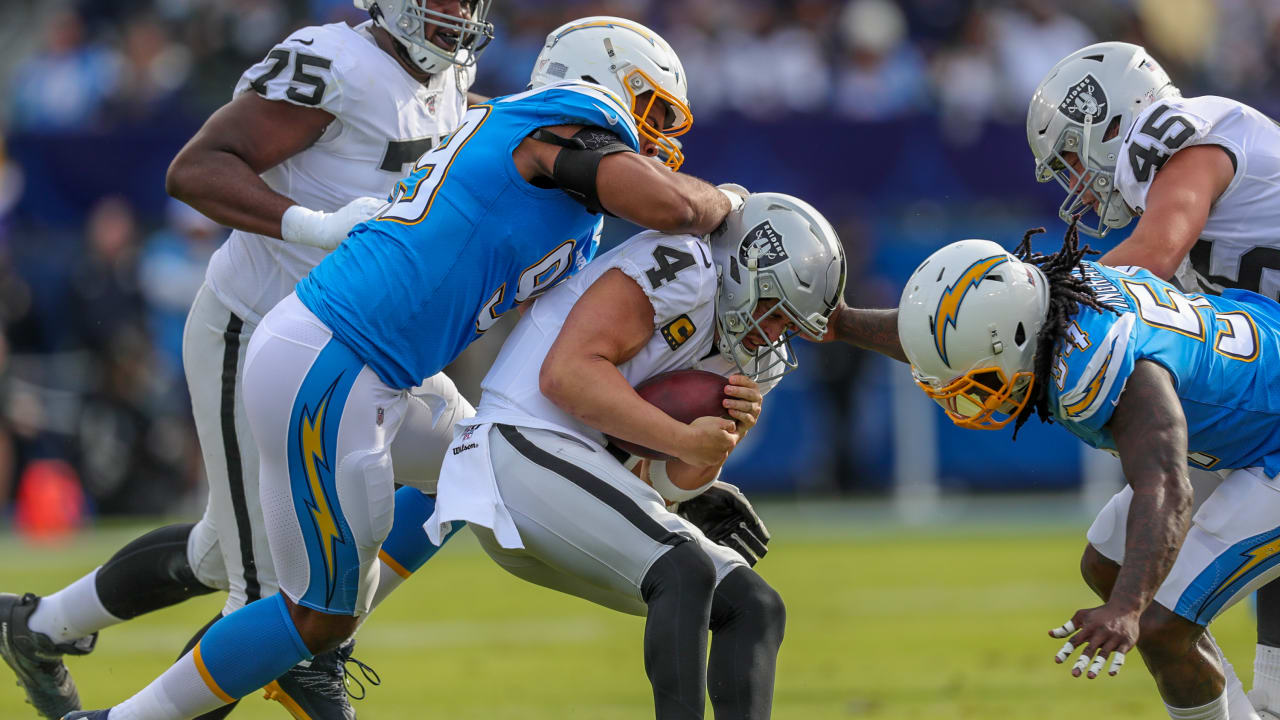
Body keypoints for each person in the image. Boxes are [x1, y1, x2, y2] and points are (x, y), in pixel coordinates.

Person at [66, 14, 741, 720]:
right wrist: (726, 202)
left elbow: (557, 361)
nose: (663, 137)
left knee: (474, 466)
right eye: (654, 110)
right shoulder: (562, 121)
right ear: (605, 82)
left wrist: (662, 477)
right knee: (310, 616)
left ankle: (311, 636)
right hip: (337, 360)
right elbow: (670, 204)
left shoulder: (562, 185)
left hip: (366, 365)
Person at [2, 2, 493, 719]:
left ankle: (38, 626)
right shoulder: (335, 62)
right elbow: (196, 168)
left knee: (473, 463)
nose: (461, 12)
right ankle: (312, 646)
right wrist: (313, 225)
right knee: (263, 602)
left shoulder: (452, 77)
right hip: (262, 336)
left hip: (368, 348)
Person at [828, 225, 1280, 720]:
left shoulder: (1115, 367)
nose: (965, 388)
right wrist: (843, 323)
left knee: (1158, 624)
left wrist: (1128, 610)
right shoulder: (1038, 300)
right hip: (1247, 421)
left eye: (973, 376)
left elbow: (1168, 488)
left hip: (1270, 439)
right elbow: (942, 333)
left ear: (1015, 340)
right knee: (1107, 563)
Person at [427, 190, 846, 718]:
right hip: (517, 446)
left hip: (577, 476)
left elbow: (666, 483)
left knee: (753, 607)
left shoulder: (748, 357)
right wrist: (685, 439)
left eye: (790, 325)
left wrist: (717, 444)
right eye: (775, 312)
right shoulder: (687, 267)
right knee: (684, 568)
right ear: (745, 268)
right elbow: (565, 376)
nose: (774, 334)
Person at [1028, 41, 1280, 717]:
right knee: (1112, 560)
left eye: (1076, 158)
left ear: (1110, 122)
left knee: (1164, 618)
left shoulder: (1190, 137)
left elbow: (1155, 256)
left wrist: (1040, 304)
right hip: (1268, 395)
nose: (1078, 181)